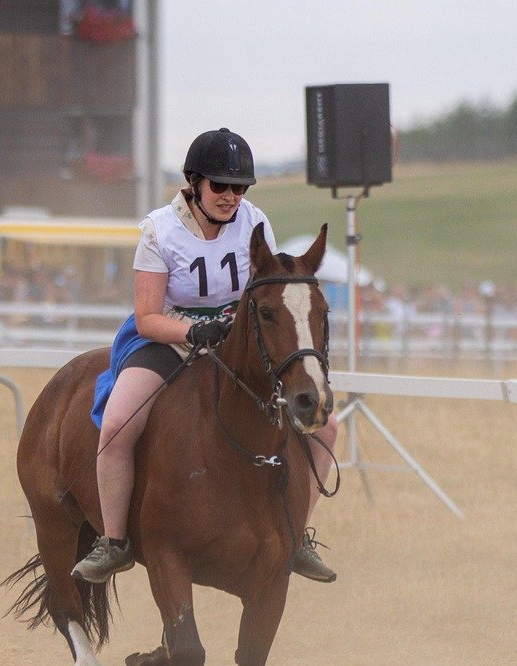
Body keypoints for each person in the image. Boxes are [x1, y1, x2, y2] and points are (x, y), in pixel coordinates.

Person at [73, 128, 338, 586]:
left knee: (327, 426)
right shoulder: (159, 230)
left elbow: (269, 289)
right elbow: (146, 318)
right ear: (193, 183)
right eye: (220, 186)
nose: (231, 197)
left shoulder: (255, 221)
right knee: (117, 423)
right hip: (168, 339)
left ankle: (297, 539)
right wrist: (195, 329)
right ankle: (113, 542)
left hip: (236, 343)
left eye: (239, 188)